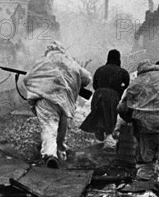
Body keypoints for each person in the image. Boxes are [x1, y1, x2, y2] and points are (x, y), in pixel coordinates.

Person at [24, 41, 91, 169]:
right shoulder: (71, 62)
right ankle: (61, 154)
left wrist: (40, 82)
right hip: (65, 101)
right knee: (62, 130)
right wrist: (74, 84)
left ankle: (50, 155)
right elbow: (87, 78)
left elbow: (27, 79)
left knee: (49, 128)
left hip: (46, 99)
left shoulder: (42, 62)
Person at [80, 49, 130, 150]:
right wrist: (119, 92)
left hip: (98, 95)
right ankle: (109, 141)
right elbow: (126, 86)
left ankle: (100, 132)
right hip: (112, 96)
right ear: (118, 59)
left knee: (98, 115)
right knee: (110, 117)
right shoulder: (123, 72)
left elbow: (95, 85)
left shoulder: (100, 69)